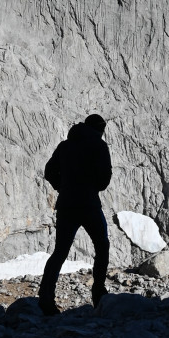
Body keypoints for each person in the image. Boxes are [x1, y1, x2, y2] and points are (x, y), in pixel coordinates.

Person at [38, 113, 112, 314]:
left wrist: (63, 187)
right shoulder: (99, 146)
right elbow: (104, 179)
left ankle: (46, 297)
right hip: (89, 204)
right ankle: (98, 293)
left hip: (67, 205)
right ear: (99, 128)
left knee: (60, 251)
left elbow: (49, 171)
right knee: (102, 245)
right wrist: (91, 186)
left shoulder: (65, 145)